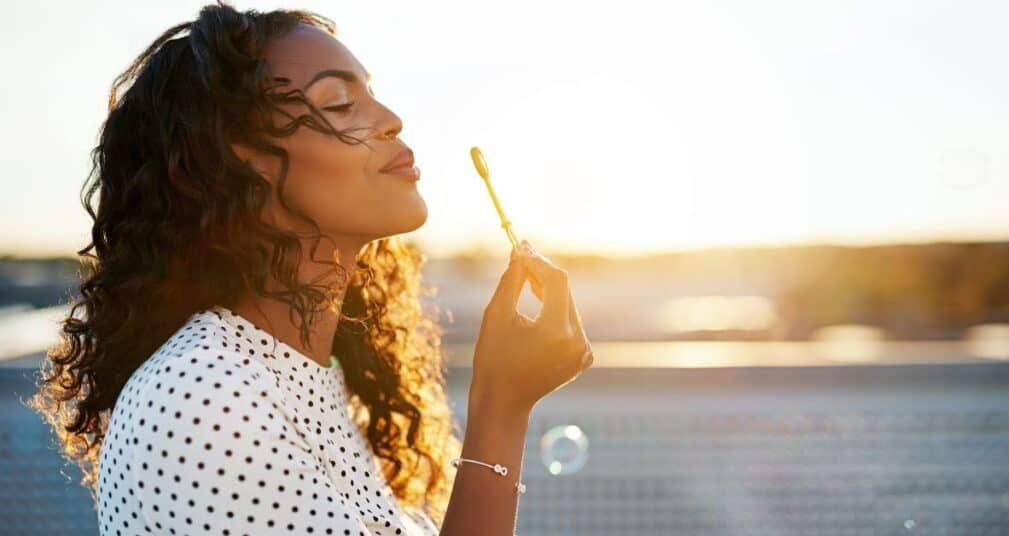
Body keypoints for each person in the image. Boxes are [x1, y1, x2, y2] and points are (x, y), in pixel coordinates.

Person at [29, 2, 593, 535]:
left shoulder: (312, 382)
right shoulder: (203, 397)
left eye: (372, 96)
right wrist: (500, 409)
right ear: (239, 164)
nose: (393, 120)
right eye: (340, 104)